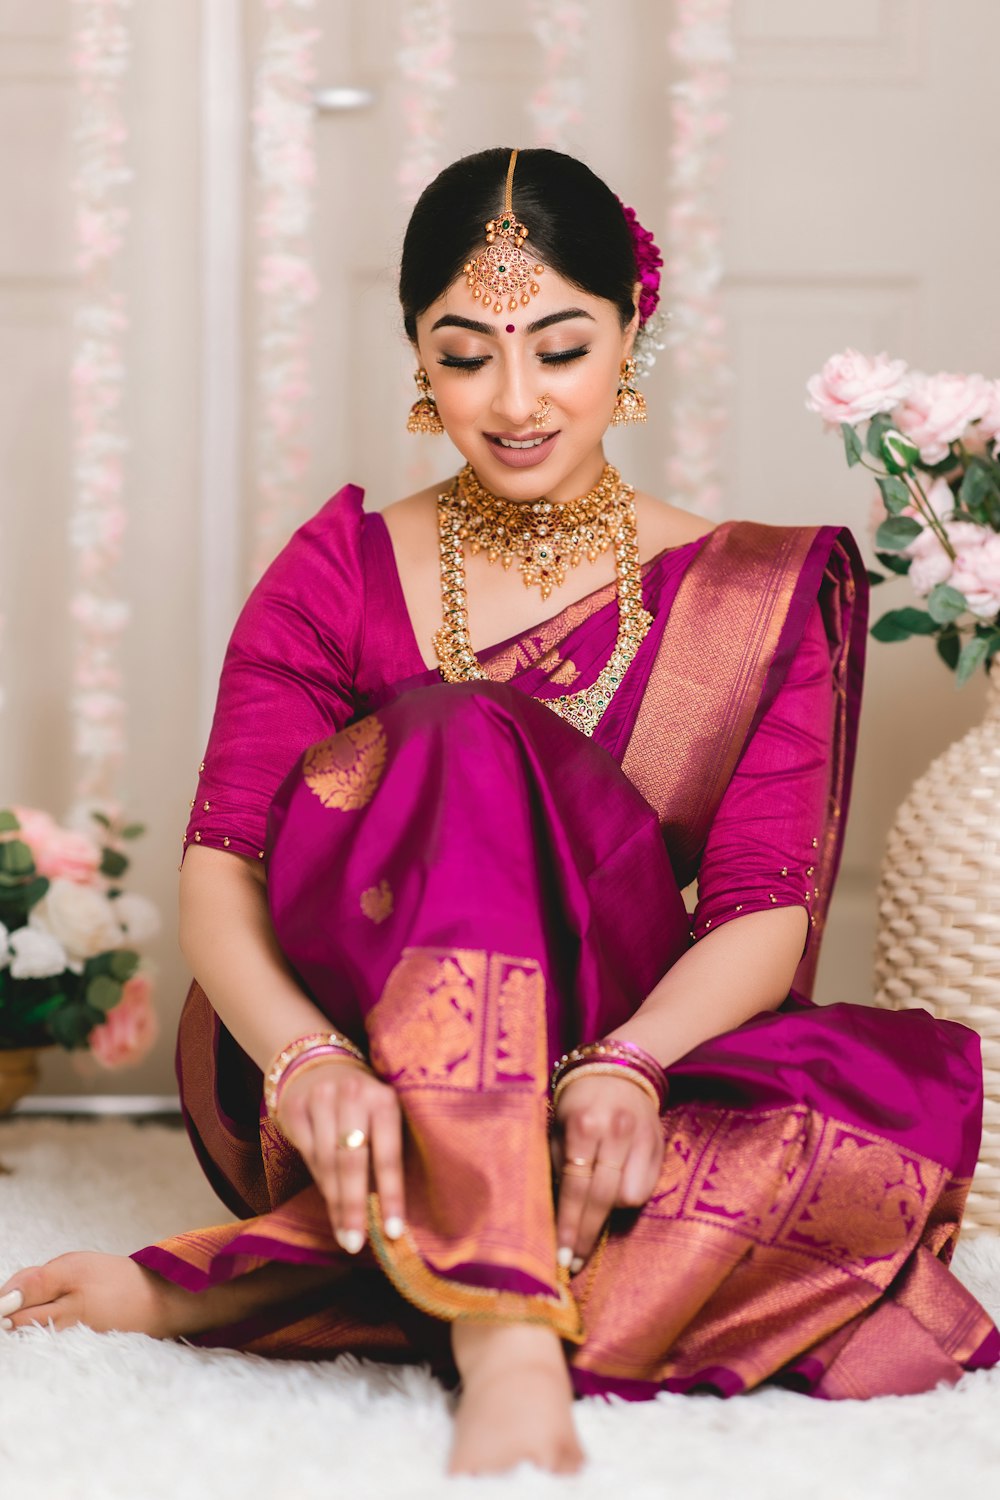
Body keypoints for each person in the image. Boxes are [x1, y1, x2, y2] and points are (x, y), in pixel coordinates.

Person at [1, 147, 996, 1476]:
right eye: (466, 354)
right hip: (344, 1078)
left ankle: (246, 1285)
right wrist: (305, 1060)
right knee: (457, 731)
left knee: (848, 1163)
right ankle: (515, 1337)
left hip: (615, 1061)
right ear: (419, 355)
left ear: (633, 328)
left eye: (561, 348)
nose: (516, 400)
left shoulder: (759, 593)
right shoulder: (338, 569)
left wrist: (635, 1065)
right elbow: (225, 868)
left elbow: (763, 911)